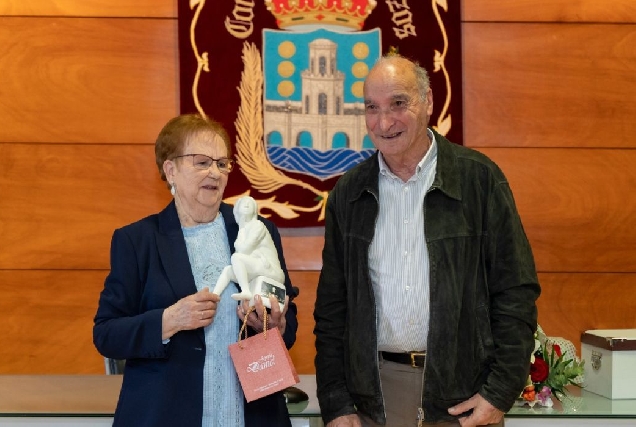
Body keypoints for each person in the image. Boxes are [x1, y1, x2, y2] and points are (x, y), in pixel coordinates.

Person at [313, 54, 541, 427]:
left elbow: (515, 292)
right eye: (372, 108)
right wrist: (336, 402)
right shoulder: (349, 193)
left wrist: (500, 391)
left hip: (463, 400)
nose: (384, 122)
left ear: (428, 101)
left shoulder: (479, 180)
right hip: (372, 401)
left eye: (398, 103)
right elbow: (331, 310)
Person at [93, 113, 298, 427]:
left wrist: (275, 324)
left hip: (252, 415)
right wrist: (170, 319)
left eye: (221, 163)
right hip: (166, 415)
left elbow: (289, 321)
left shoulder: (256, 230)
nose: (214, 172)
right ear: (171, 170)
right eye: (202, 162)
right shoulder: (138, 241)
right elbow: (107, 334)